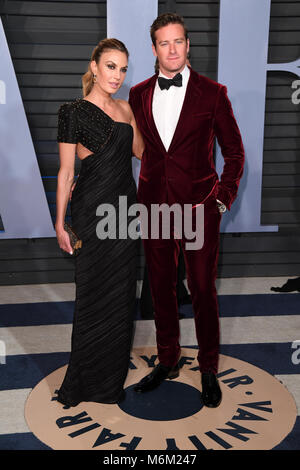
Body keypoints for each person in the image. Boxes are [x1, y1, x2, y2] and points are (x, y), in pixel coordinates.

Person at [129, 13, 245, 408]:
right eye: (164, 43)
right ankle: (167, 358)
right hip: (155, 206)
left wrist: (222, 198)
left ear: (188, 44)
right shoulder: (139, 93)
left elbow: (234, 152)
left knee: (202, 291)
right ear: (154, 49)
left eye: (178, 41)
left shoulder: (213, 92)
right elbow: (140, 149)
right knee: (160, 289)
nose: (172, 49)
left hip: (199, 207)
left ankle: (209, 368)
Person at [55, 38, 144, 407]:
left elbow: (142, 153)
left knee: (122, 294)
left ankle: (109, 380)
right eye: (110, 66)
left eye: (123, 69)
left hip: (126, 212)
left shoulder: (125, 108)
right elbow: (65, 172)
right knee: (92, 294)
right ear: (94, 66)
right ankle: (85, 381)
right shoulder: (72, 111)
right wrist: (60, 223)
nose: (117, 75)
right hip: (93, 212)